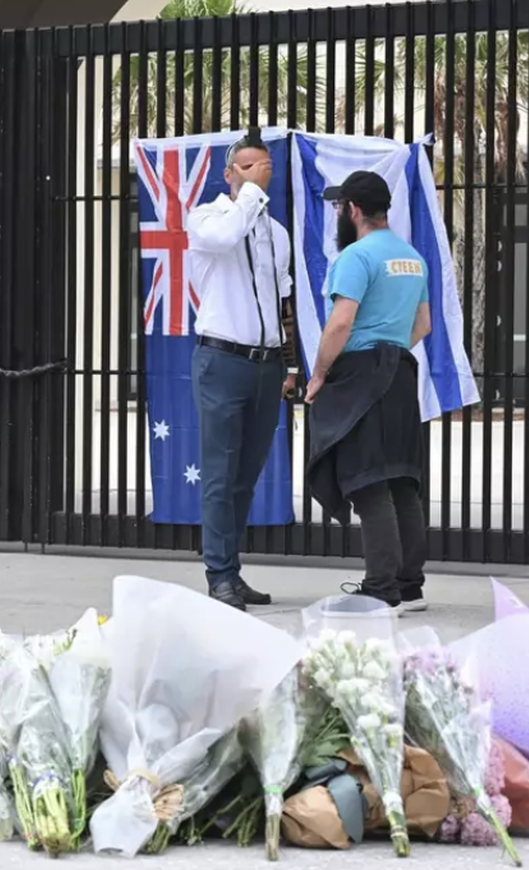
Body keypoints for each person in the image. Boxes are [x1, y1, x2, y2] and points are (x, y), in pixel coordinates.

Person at [304, 170, 433, 612]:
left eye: (340, 207)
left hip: (361, 373)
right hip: (400, 371)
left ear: (353, 210)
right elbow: (423, 325)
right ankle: (409, 585)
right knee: (400, 478)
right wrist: (389, 348)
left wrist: (320, 372)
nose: (339, 213)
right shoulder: (412, 257)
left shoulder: (356, 257)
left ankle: (381, 589)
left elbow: (341, 322)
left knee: (369, 482)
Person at [184, 132, 300, 611]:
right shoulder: (207, 217)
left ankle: (232, 567)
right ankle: (219, 575)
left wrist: (289, 363)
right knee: (219, 473)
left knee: (245, 476)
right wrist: (250, 192)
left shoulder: (277, 233)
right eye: (247, 167)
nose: (259, 174)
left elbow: (282, 303)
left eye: (265, 167)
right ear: (228, 175)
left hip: (265, 365)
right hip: (222, 360)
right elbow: (226, 236)